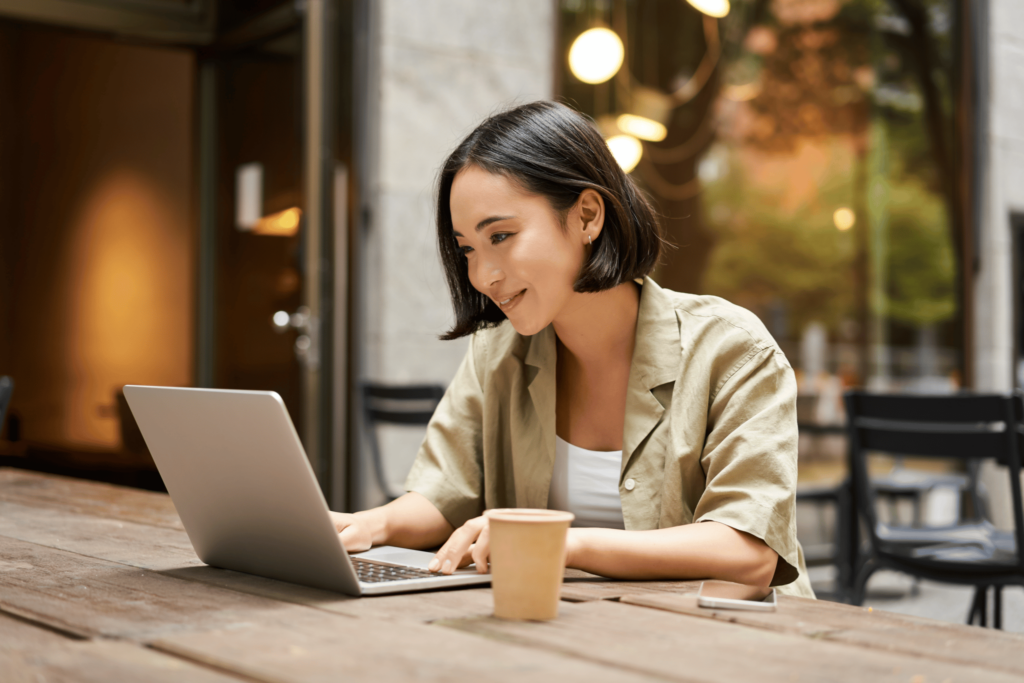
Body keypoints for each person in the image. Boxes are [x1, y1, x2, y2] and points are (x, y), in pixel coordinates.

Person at [333, 101, 814, 597]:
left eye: (501, 235)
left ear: (587, 215)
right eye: (469, 249)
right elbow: (442, 494)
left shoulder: (733, 349)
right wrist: (368, 526)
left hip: (730, 647)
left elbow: (749, 552)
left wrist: (559, 543)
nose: (483, 275)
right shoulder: (498, 354)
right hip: (575, 637)